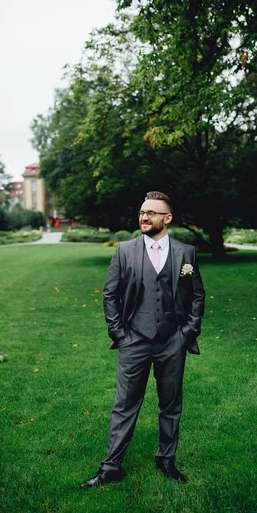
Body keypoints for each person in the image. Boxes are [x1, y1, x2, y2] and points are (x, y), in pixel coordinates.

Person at [80, 191, 205, 488]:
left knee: (171, 405)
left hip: (173, 341)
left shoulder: (185, 253)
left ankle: (166, 460)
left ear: (167, 218)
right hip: (134, 340)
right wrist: (119, 334)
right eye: (141, 212)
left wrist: (188, 332)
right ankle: (111, 467)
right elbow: (110, 294)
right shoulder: (125, 250)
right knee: (125, 405)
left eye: (151, 212)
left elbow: (197, 295)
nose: (144, 217)